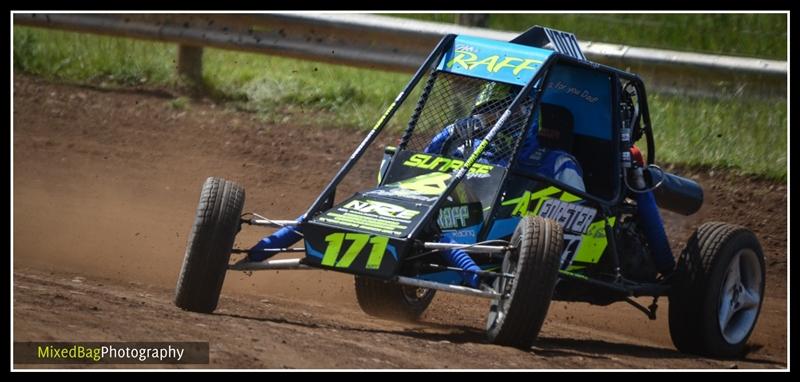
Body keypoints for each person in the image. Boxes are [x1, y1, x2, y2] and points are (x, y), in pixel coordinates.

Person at [247, 93, 586, 288]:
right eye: (488, 112)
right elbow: (419, 163)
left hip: (500, 228)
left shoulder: (555, 161)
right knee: (337, 211)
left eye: (504, 114)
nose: (493, 120)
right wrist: (453, 131)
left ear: (526, 120)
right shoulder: (467, 146)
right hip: (425, 208)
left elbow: (579, 211)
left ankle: (477, 279)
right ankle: (256, 249)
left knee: (439, 225)